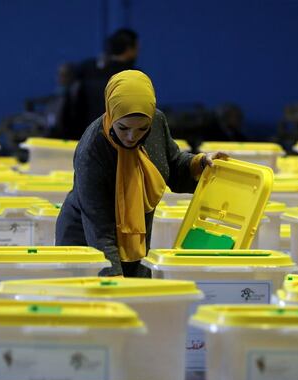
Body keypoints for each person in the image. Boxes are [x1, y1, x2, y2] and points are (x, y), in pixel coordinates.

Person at [56, 70, 227, 277]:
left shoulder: (156, 123)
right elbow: (98, 228)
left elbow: (172, 165)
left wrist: (200, 163)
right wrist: (113, 279)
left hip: (136, 239)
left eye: (141, 129)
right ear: (110, 114)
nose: (131, 137)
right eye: (123, 128)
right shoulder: (92, 151)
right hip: (87, 242)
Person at [68, 28, 141, 138]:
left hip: (84, 139)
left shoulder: (86, 69)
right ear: (129, 49)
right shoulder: (134, 77)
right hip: (117, 141)